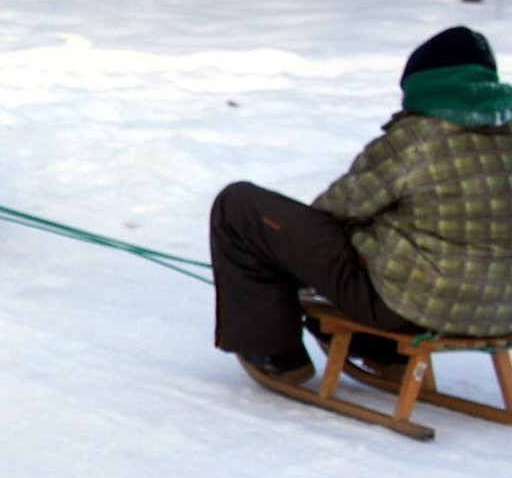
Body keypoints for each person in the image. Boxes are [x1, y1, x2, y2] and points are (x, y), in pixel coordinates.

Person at [210, 26, 512, 386]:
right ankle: (380, 353)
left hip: (410, 309)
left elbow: (337, 208)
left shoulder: (417, 138)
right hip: (499, 312)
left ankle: (275, 353)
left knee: (238, 205)